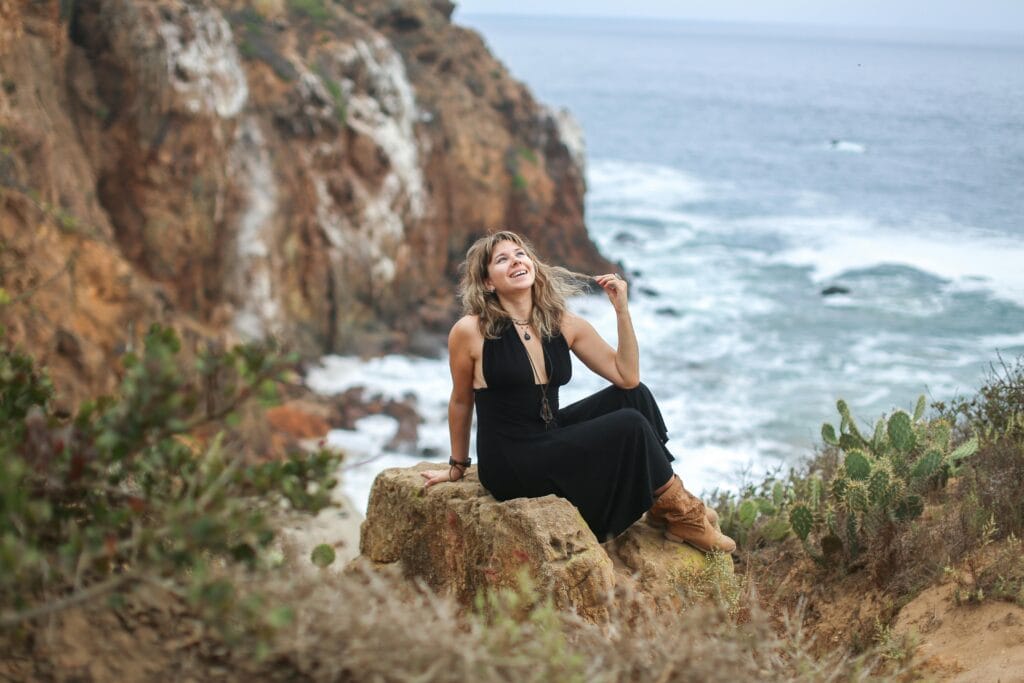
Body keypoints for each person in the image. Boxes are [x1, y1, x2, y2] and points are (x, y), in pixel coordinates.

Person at [421, 230, 735, 553]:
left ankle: (664, 505)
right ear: (488, 282)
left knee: (634, 398)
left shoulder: (562, 323)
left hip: (548, 435)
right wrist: (457, 465)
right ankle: (685, 515)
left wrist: (621, 311)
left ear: (532, 266)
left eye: (520, 254)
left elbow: (627, 376)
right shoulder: (471, 332)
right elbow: (461, 400)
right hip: (510, 461)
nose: (515, 261)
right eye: (502, 259)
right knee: (630, 425)